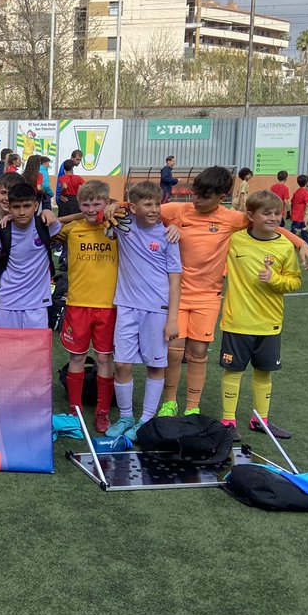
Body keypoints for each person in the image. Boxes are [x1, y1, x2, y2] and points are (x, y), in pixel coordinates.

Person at [147, 166, 308, 419]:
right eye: (195, 194)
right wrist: (117, 207)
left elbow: (268, 223)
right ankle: (169, 402)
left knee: (199, 352)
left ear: (222, 196)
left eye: (205, 196)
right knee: (173, 350)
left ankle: (193, 405)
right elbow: (139, 208)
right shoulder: (176, 211)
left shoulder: (231, 218)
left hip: (208, 296)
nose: (197, 200)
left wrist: (300, 242)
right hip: (175, 295)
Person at [219, 190, 302, 441]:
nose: (273, 217)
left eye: (277, 213)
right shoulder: (234, 240)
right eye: (266, 213)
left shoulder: (285, 247)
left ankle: (260, 420)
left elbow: (295, 281)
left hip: (270, 323)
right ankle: (228, 420)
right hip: (238, 320)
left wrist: (274, 279)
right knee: (233, 371)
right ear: (251, 216)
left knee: (264, 372)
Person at [105, 181, 182, 440]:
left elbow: (175, 279)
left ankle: (146, 420)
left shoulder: (169, 235)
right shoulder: (122, 225)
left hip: (157, 309)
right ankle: (126, 416)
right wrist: (114, 206)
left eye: (157, 204)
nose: (153, 209)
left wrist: (172, 319)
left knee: (154, 366)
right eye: (147, 204)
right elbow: (104, 212)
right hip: (127, 306)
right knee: (122, 363)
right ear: (134, 206)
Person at [56, 180, 118, 433]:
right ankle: (75, 410)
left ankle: (102, 412)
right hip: (77, 304)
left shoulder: (117, 227)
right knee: (77, 357)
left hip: (108, 305)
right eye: (86, 204)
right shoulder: (72, 229)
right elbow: (45, 224)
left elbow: (138, 212)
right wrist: (77, 214)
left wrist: (114, 209)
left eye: (96, 203)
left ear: (106, 202)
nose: (91, 209)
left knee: (105, 357)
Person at [0, 183, 62, 330]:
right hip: (8, 301)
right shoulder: (3, 230)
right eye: (16, 207)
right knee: (4, 349)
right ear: (9, 208)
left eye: (27, 206)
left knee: (35, 350)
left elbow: (76, 219)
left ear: (36, 206)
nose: (22, 212)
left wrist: (48, 211)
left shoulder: (45, 225)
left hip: (37, 304)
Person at [289, 175, 308, 247]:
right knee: (293, 232)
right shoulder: (305, 192)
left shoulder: (297, 191)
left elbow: (292, 202)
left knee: (304, 229)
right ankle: (287, 243)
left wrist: (291, 212)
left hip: (296, 215)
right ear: (306, 183)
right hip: (298, 216)